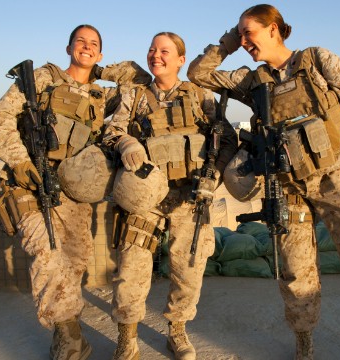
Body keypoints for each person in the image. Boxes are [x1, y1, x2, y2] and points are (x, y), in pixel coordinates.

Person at [187, 4, 340, 360]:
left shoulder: (316, 60)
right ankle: (304, 343)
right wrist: (230, 41)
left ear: (274, 29)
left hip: (337, 179)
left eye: (249, 32)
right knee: (295, 273)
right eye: (241, 34)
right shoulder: (254, 80)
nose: (245, 40)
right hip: (290, 190)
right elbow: (198, 72)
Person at [0, 24, 150, 360]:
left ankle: (73, 332)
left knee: (74, 263)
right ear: (68, 46)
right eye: (80, 42)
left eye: (94, 44)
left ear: (100, 53)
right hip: (30, 185)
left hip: (73, 192)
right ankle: (68, 339)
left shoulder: (101, 97)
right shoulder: (44, 79)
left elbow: (139, 78)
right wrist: (19, 163)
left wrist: (99, 70)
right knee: (47, 255)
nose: (86, 47)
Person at [102, 32, 237, 360]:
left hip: (189, 197)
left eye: (164, 51)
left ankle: (177, 331)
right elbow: (111, 131)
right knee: (131, 269)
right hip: (144, 197)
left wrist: (214, 175)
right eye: (151, 50)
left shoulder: (198, 96)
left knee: (188, 268)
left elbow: (227, 138)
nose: (155, 56)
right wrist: (126, 143)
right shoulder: (134, 96)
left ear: (180, 59)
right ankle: (127, 336)